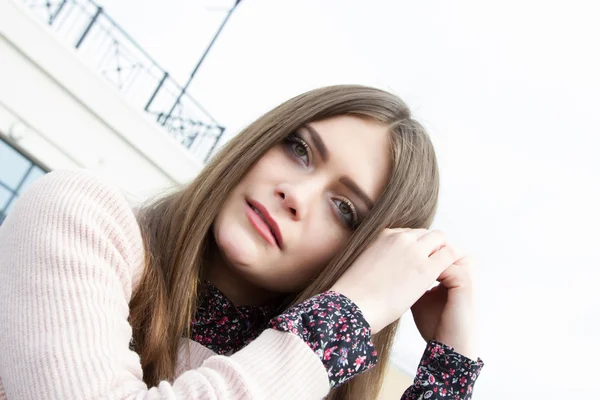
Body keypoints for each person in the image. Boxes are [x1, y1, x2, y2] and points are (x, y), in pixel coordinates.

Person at [0, 85, 484, 399]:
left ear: (365, 262)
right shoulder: (82, 216)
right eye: (299, 150)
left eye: (344, 210)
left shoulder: (304, 379)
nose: (296, 194)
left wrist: (448, 373)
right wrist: (338, 323)